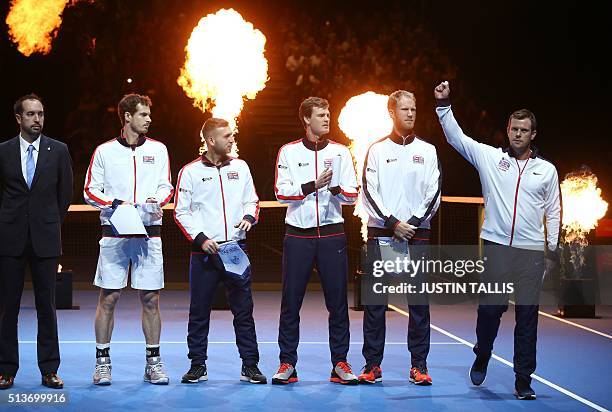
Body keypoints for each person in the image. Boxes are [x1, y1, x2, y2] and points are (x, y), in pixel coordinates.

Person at [434, 81, 561, 400]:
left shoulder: (547, 171)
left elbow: (554, 211)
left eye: (524, 130)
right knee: (490, 311)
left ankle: (523, 379)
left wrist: (553, 250)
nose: (518, 134)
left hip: (531, 253)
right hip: (496, 249)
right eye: (514, 128)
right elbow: (456, 137)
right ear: (507, 130)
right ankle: (483, 352)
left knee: (528, 318)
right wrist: (444, 103)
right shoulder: (489, 158)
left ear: (534, 134)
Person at [83, 94, 173, 385]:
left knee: (150, 299)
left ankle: (153, 363)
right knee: (108, 297)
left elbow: (166, 186)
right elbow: (89, 191)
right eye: (143, 114)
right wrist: (117, 204)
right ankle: (102, 363)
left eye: (149, 114)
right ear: (127, 117)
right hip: (115, 235)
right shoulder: (104, 152)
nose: (149, 119)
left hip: (150, 234)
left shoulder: (159, 150)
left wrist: (155, 200)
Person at [272, 97, 360, 385]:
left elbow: (352, 195)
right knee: (291, 302)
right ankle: (288, 363)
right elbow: (281, 193)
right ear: (306, 120)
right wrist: (313, 186)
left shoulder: (341, 152)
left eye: (328, 114)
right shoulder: (288, 151)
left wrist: (333, 187)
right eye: (321, 115)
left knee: (337, 303)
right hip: (298, 235)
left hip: (333, 233)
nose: (326, 119)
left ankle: (340, 363)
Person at [174, 118, 266, 384]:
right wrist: (201, 239)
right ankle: (197, 365)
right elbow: (182, 212)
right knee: (199, 311)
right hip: (204, 252)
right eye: (226, 136)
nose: (232, 139)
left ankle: (250, 365)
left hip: (235, 249)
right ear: (211, 140)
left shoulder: (241, 166)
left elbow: (252, 200)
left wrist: (249, 216)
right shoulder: (190, 171)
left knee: (244, 311)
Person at [359, 90, 441, 385]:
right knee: (375, 303)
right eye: (404, 109)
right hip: (382, 234)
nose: (410, 114)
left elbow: (435, 193)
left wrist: (414, 223)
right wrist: (393, 223)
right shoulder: (377, 150)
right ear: (391, 113)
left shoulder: (429, 151)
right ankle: (372, 365)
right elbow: (368, 191)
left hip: (417, 236)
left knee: (418, 304)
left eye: (414, 109)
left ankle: (418, 365)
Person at [0, 94, 73, 389]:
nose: (37, 120)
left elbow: (65, 195)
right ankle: (6, 370)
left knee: (47, 307)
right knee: (8, 308)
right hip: (9, 239)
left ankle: (49, 370)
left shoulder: (59, 150)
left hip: (46, 239)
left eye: (40, 114)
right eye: (31, 114)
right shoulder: (2, 151)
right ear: (18, 118)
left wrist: (49, 223)